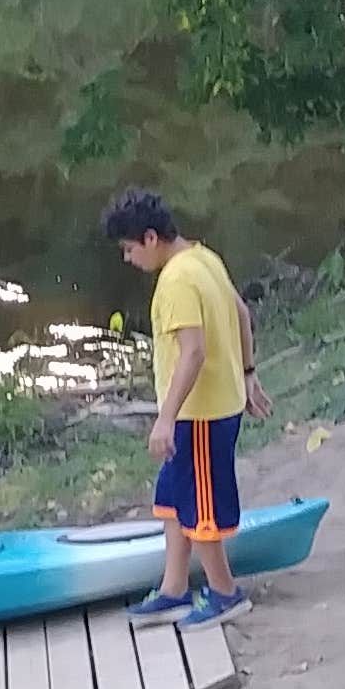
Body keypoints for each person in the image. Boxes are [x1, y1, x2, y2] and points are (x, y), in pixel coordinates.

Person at [104, 187, 263, 624]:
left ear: (150, 238)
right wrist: (248, 373)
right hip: (216, 403)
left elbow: (193, 351)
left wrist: (166, 418)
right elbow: (242, 315)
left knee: (200, 508)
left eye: (128, 248)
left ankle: (226, 593)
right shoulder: (203, 258)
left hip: (200, 414)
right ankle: (174, 589)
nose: (128, 258)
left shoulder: (175, 280)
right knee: (173, 500)